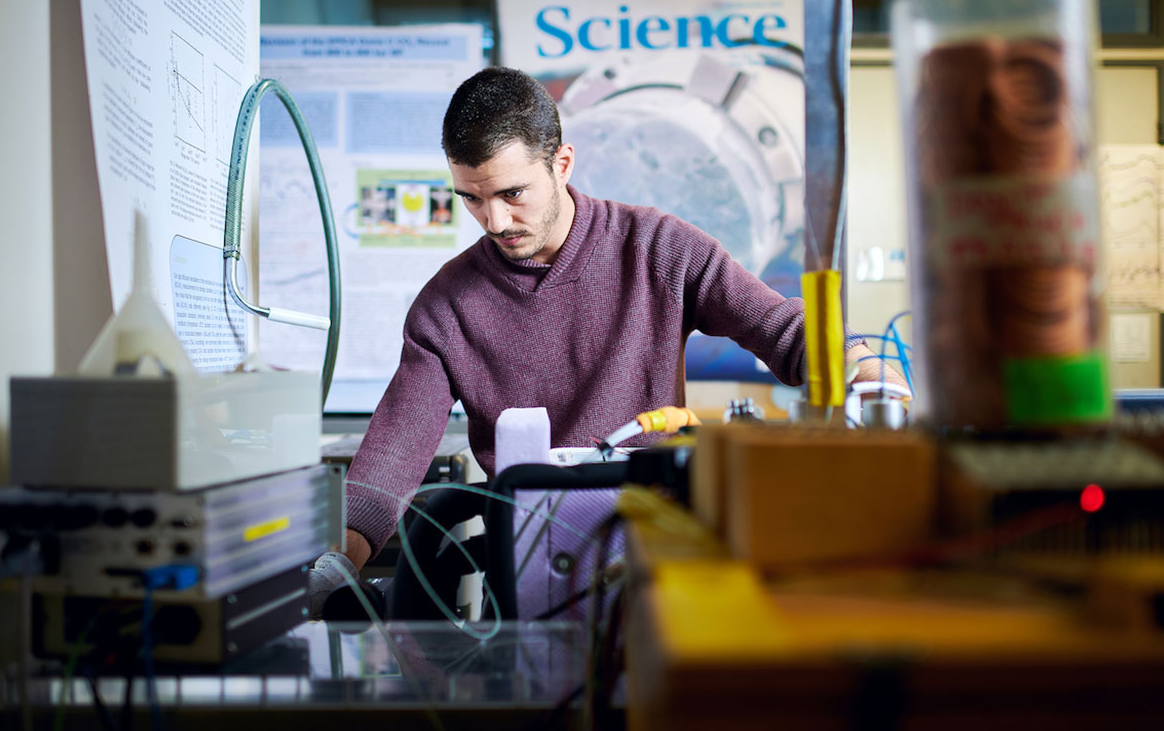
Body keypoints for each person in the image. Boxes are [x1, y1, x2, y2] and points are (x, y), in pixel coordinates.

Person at [341, 66, 899, 568]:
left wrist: (868, 373)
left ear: (561, 163)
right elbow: (395, 451)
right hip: (527, 564)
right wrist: (340, 558)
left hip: (659, 554)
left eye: (514, 194)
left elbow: (782, 329)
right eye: (471, 198)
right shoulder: (446, 307)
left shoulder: (659, 248)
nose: (494, 220)